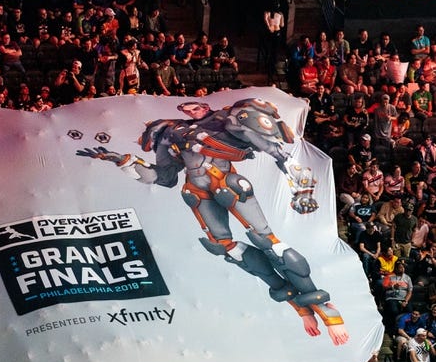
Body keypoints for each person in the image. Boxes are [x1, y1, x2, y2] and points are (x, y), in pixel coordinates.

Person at [78, 98, 349, 345]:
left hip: (227, 183)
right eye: (187, 109)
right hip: (197, 193)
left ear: (206, 106)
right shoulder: (173, 133)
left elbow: (263, 142)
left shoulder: (227, 119)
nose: (192, 111)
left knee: (269, 243)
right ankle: (301, 308)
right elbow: (163, 177)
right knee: (227, 248)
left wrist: (292, 173)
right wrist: (123, 162)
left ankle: (325, 308)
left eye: (197, 107)